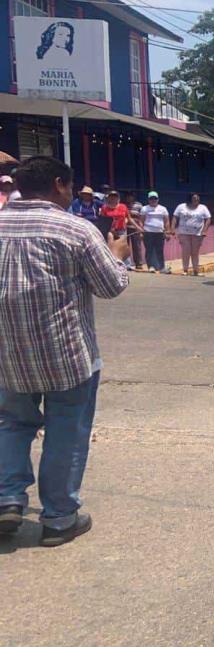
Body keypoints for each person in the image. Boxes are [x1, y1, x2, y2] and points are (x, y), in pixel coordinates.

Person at [0, 156, 130, 545]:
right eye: (70, 187)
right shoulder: (75, 229)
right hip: (66, 356)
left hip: (6, 356)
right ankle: (58, 517)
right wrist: (118, 257)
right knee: (66, 432)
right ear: (58, 184)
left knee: (11, 424)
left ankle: (7, 498)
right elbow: (111, 286)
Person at [173, 192, 212, 276]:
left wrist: (204, 230)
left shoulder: (203, 207)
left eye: (198, 198)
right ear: (190, 199)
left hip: (197, 233)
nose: (196, 200)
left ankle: (196, 270)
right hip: (184, 233)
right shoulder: (181, 206)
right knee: (185, 252)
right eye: (194, 198)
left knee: (195, 252)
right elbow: (175, 217)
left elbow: (208, 219)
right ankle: (185, 270)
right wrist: (172, 228)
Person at [140, 191, 171, 273]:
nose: (153, 200)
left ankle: (162, 267)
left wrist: (168, 232)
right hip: (148, 232)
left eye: (155, 198)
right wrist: (141, 232)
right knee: (149, 250)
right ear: (148, 199)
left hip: (160, 232)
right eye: (151, 198)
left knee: (160, 250)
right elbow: (141, 221)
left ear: (158, 199)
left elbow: (167, 221)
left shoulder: (163, 209)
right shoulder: (144, 208)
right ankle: (151, 266)